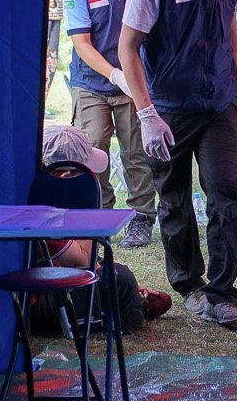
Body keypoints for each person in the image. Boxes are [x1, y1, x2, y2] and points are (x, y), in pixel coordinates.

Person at [118, 0, 237, 328]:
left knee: (226, 191)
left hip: (217, 103)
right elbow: (127, 47)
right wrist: (147, 114)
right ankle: (189, 285)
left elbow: (231, 22)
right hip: (169, 108)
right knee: (175, 200)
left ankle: (221, 292)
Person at [62, 0, 157, 248]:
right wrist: (115, 74)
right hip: (92, 82)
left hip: (136, 80)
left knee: (137, 151)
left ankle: (142, 217)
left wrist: (133, 77)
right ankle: (100, 216)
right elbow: (81, 44)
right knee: (93, 148)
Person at [37, 125, 171, 334]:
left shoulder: (44, 198)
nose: (96, 177)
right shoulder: (45, 213)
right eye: (87, 172)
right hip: (40, 300)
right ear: (64, 176)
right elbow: (83, 263)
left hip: (52, 278)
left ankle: (125, 301)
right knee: (122, 279)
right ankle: (122, 309)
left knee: (117, 274)